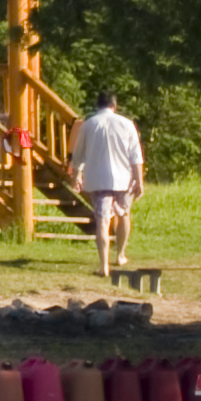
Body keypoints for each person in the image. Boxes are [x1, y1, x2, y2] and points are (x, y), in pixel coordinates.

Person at [72, 90, 145, 269]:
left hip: (98, 179)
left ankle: (104, 265)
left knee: (103, 221)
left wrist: (76, 177)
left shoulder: (88, 125)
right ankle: (120, 255)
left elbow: (78, 156)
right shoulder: (127, 124)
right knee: (124, 215)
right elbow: (136, 156)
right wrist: (139, 181)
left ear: (98, 106)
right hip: (123, 179)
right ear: (114, 106)